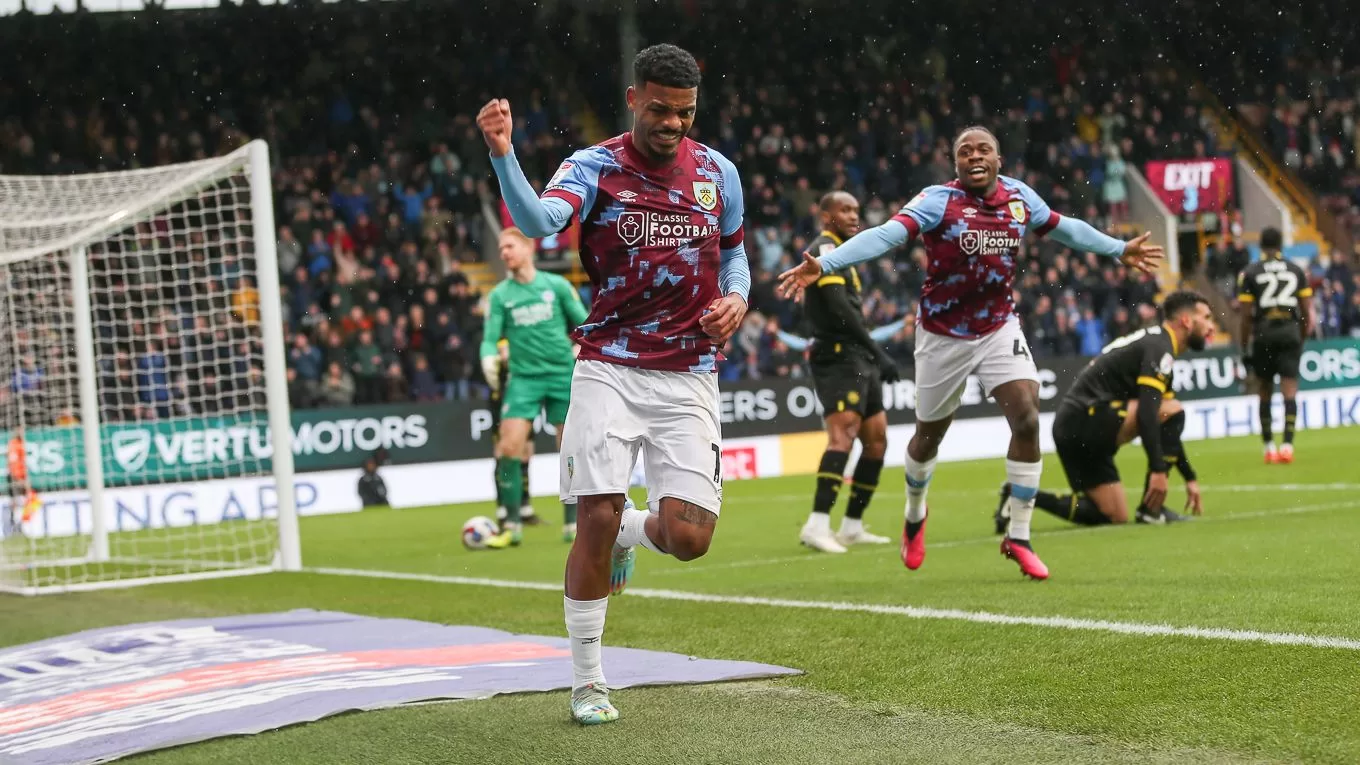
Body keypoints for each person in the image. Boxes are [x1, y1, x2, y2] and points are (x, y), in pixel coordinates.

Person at [479, 43, 751, 725]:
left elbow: (737, 255)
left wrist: (738, 299)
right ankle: (589, 680)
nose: (673, 124)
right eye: (659, 110)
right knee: (593, 515)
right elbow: (540, 223)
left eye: (685, 113)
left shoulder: (718, 172)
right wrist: (504, 154)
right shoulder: (594, 167)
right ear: (634, 99)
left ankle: (634, 530)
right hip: (609, 365)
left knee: (690, 537)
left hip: (689, 371)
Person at [776, 126, 1162, 581]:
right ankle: (915, 513)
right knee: (928, 437)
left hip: (999, 325)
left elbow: (1063, 228)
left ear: (999, 160)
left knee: (1027, 415)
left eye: (983, 150)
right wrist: (827, 261)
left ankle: (1019, 536)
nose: (974, 156)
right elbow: (884, 235)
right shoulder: (938, 200)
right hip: (942, 335)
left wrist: (1117, 248)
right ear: (955, 163)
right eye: (964, 151)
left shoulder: (1020, 197)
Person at [1010, 291, 1215, 530]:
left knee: (1113, 514)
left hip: (1073, 426)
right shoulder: (1160, 348)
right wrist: (1159, 471)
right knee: (1171, 410)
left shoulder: (1156, 343)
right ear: (1187, 321)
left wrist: (1189, 476)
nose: (1212, 326)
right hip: (1084, 420)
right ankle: (1151, 509)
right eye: (1207, 317)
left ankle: (1020, 494)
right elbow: (1149, 415)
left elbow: (1163, 425)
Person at [796, 191, 897, 553]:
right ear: (826, 216)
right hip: (838, 356)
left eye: (856, 209)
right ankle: (817, 524)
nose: (855, 215)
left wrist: (870, 354)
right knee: (844, 435)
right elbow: (840, 309)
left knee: (877, 439)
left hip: (858, 356)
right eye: (845, 209)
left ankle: (852, 525)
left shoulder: (845, 253)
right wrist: (877, 352)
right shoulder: (824, 249)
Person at [480, 227, 589, 546]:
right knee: (508, 448)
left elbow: (584, 322)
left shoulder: (556, 285)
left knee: (568, 448)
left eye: (509, 246)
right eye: (500, 249)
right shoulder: (500, 295)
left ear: (528, 248)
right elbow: (489, 338)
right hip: (523, 379)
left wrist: (581, 344)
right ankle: (511, 526)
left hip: (561, 374)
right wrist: (488, 358)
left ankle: (572, 523)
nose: (504, 253)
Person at [1237, 227, 1312, 464]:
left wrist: (1244, 344)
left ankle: (1269, 447)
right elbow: (1307, 313)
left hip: (1264, 333)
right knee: (1290, 390)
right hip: (1289, 331)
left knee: (1264, 392)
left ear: (1260, 246)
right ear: (1281, 246)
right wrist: (1299, 337)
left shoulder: (1250, 272)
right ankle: (1287, 446)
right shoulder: (1296, 270)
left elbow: (1247, 315)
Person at [489, 338, 541, 528]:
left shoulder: (522, 339)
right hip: (502, 404)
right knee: (503, 454)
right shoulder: (493, 341)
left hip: (525, 401)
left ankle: (525, 507)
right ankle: (503, 508)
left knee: (526, 453)